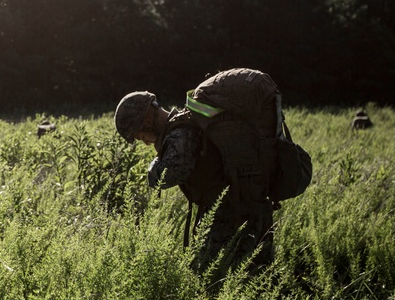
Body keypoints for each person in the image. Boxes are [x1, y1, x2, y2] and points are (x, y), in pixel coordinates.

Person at [114, 90, 275, 282]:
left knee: (214, 281)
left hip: (231, 214)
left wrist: (153, 169)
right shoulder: (186, 124)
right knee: (258, 278)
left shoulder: (180, 133)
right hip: (247, 204)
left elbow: (167, 175)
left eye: (141, 136)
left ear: (147, 121)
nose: (146, 143)